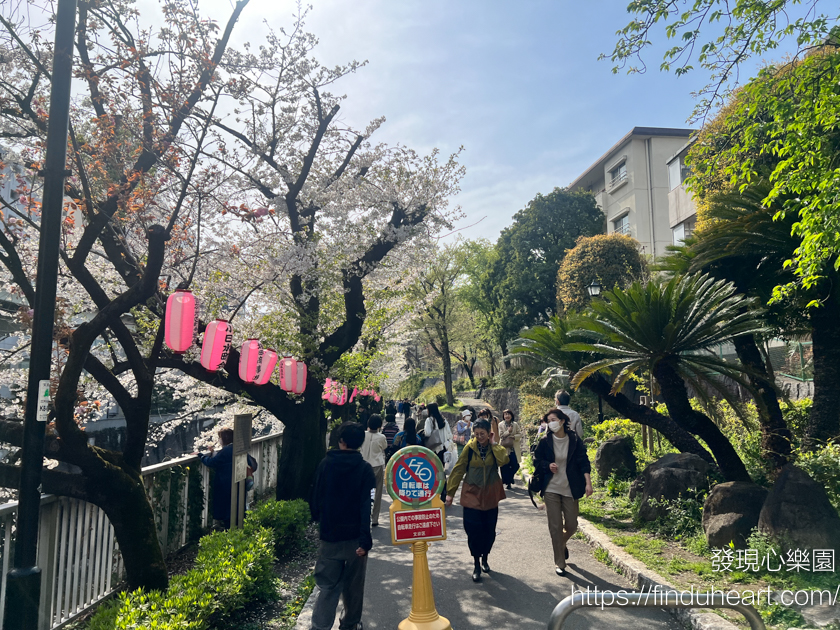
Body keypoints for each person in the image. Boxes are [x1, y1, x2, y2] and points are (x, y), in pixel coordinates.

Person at [309, 422, 376, 630]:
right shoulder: (365, 470)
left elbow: (315, 497)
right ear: (359, 444)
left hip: (330, 536)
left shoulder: (325, 464)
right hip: (356, 538)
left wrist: (320, 520)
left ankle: (320, 626)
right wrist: (365, 540)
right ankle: (350, 624)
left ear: (341, 441)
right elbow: (367, 506)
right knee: (354, 587)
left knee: (328, 586)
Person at [445, 419, 509, 583]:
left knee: (489, 531)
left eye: (483, 434)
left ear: (489, 433)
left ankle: (485, 557)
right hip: (472, 493)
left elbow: (504, 461)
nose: (479, 436)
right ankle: (476, 563)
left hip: (490, 495)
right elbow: (459, 468)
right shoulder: (470, 448)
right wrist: (450, 492)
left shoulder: (494, 448)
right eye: (477, 434)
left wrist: (494, 444)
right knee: (473, 530)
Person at [533, 408, 593, 577]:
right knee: (555, 526)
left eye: (553, 419)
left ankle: (561, 543)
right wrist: (547, 465)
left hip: (570, 488)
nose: (550, 423)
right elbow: (537, 459)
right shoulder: (545, 441)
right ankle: (560, 562)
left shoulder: (574, 439)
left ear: (561, 421)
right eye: (548, 420)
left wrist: (588, 483)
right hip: (551, 488)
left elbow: (584, 461)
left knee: (572, 525)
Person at [197, 427, 257, 529]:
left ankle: (230, 529)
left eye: (220, 437)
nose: (219, 440)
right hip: (239, 481)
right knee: (238, 506)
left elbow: (212, 462)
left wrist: (201, 456)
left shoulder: (225, 451)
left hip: (225, 484)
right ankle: (238, 526)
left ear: (224, 438)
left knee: (227, 510)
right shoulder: (238, 448)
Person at [360, 414, 388, 527]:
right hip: (377, 464)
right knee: (377, 492)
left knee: (362, 490)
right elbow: (384, 447)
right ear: (379, 425)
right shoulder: (381, 437)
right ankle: (375, 518)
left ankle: (362, 515)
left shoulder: (363, 435)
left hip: (363, 464)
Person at [498, 409, 522, 489]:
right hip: (504, 448)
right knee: (505, 466)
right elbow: (501, 435)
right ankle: (508, 482)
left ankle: (509, 478)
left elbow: (520, 434)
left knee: (515, 465)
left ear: (511, 416)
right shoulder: (500, 424)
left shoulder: (515, 424)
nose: (507, 416)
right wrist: (508, 432)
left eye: (508, 414)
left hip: (513, 448)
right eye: (505, 414)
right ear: (503, 416)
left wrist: (514, 437)